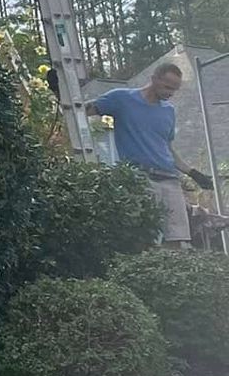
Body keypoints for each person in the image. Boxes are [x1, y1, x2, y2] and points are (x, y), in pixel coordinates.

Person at [87, 62, 213, 248]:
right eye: (167, 87)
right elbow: (83, 111)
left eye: (175, 89)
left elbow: (166, 147)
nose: (171, 93)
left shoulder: (168, 110)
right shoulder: (121, 99)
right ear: (154, 79)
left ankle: (173, 275)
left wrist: (192, 173)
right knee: (146, 236)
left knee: (178, 238)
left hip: (170, 178)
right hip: (141, 177)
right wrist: (61, 94)